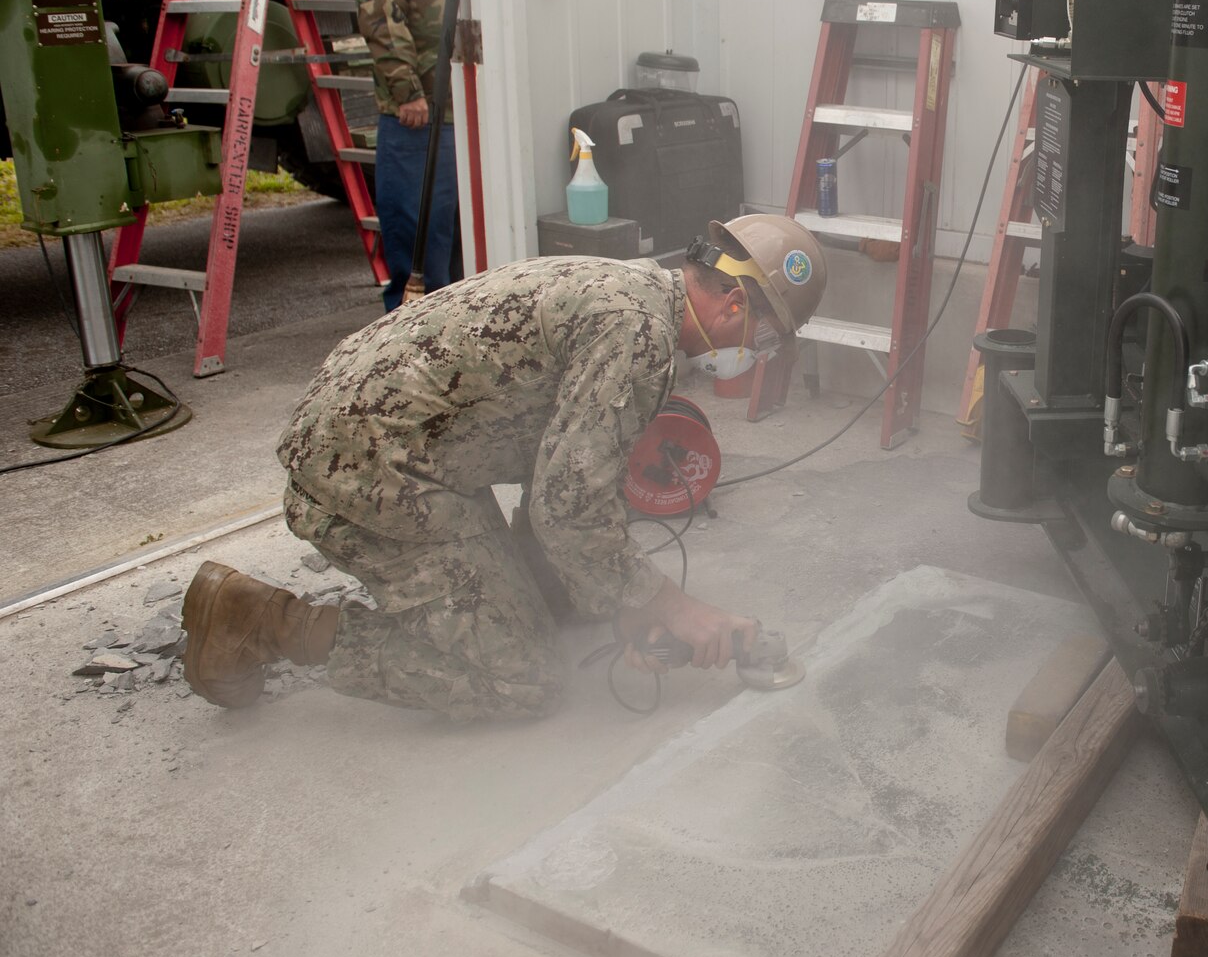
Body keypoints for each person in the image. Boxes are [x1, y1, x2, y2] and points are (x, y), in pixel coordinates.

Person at [178, 215, 827, 719]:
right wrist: (672, 605)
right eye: (767, 340)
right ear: (735, 307)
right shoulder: (640, 337)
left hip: (385, 439)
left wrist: (623, 608)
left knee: (549, 603)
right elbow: (567, 509)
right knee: (520, 675)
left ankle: (490, 615)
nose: (756, 353)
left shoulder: (634, 291)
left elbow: (554, 482)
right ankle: (259, 619)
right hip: (369, 465)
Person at [356, 0, 456, 312]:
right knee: (414, 236)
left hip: (460, 115)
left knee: (451, 235)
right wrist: (407, 92)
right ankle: (409, 335)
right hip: (417, 118)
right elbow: (378, 11)